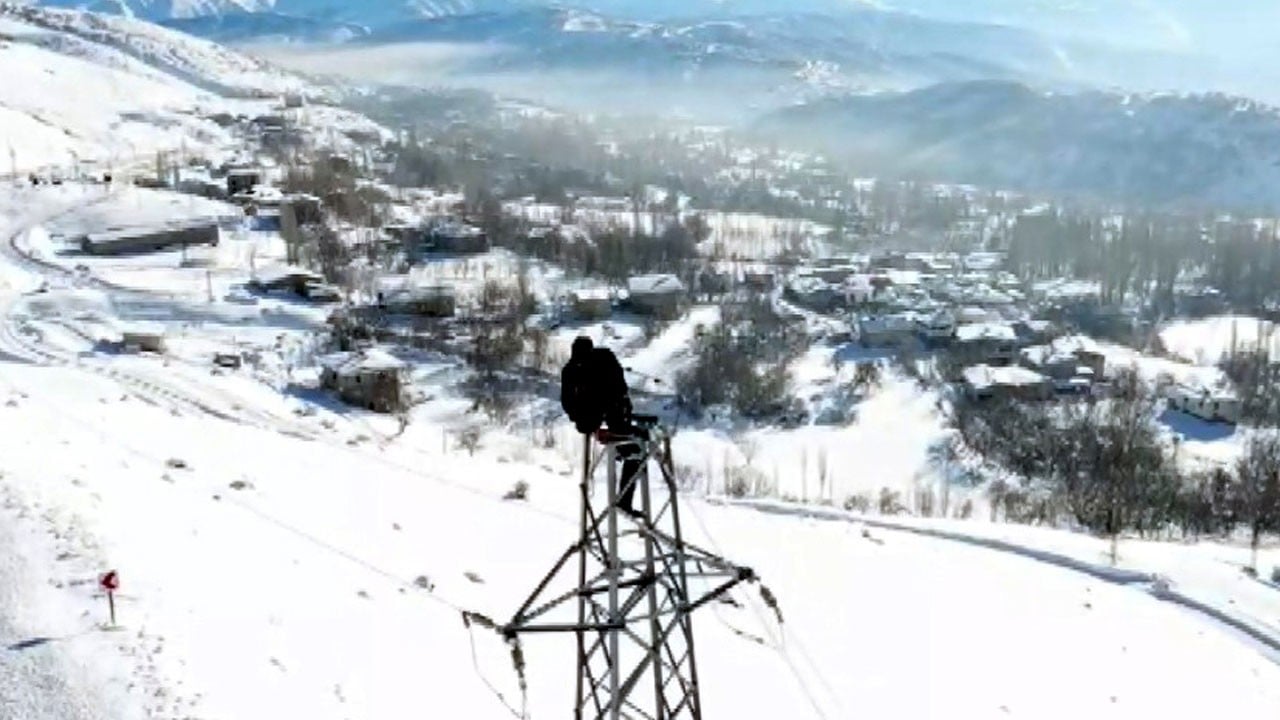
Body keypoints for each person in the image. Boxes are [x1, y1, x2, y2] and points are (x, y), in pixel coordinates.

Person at [560, 336, 647, 515]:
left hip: (609, 417)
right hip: (601, 419)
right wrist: (588, 422)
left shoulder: (592, 362)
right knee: (635, 452)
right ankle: (624, 501)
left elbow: (619, 390)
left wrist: (588, 420)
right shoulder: (581, 366)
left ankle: (625, 499)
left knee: (636, 450)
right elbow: (569, 402)